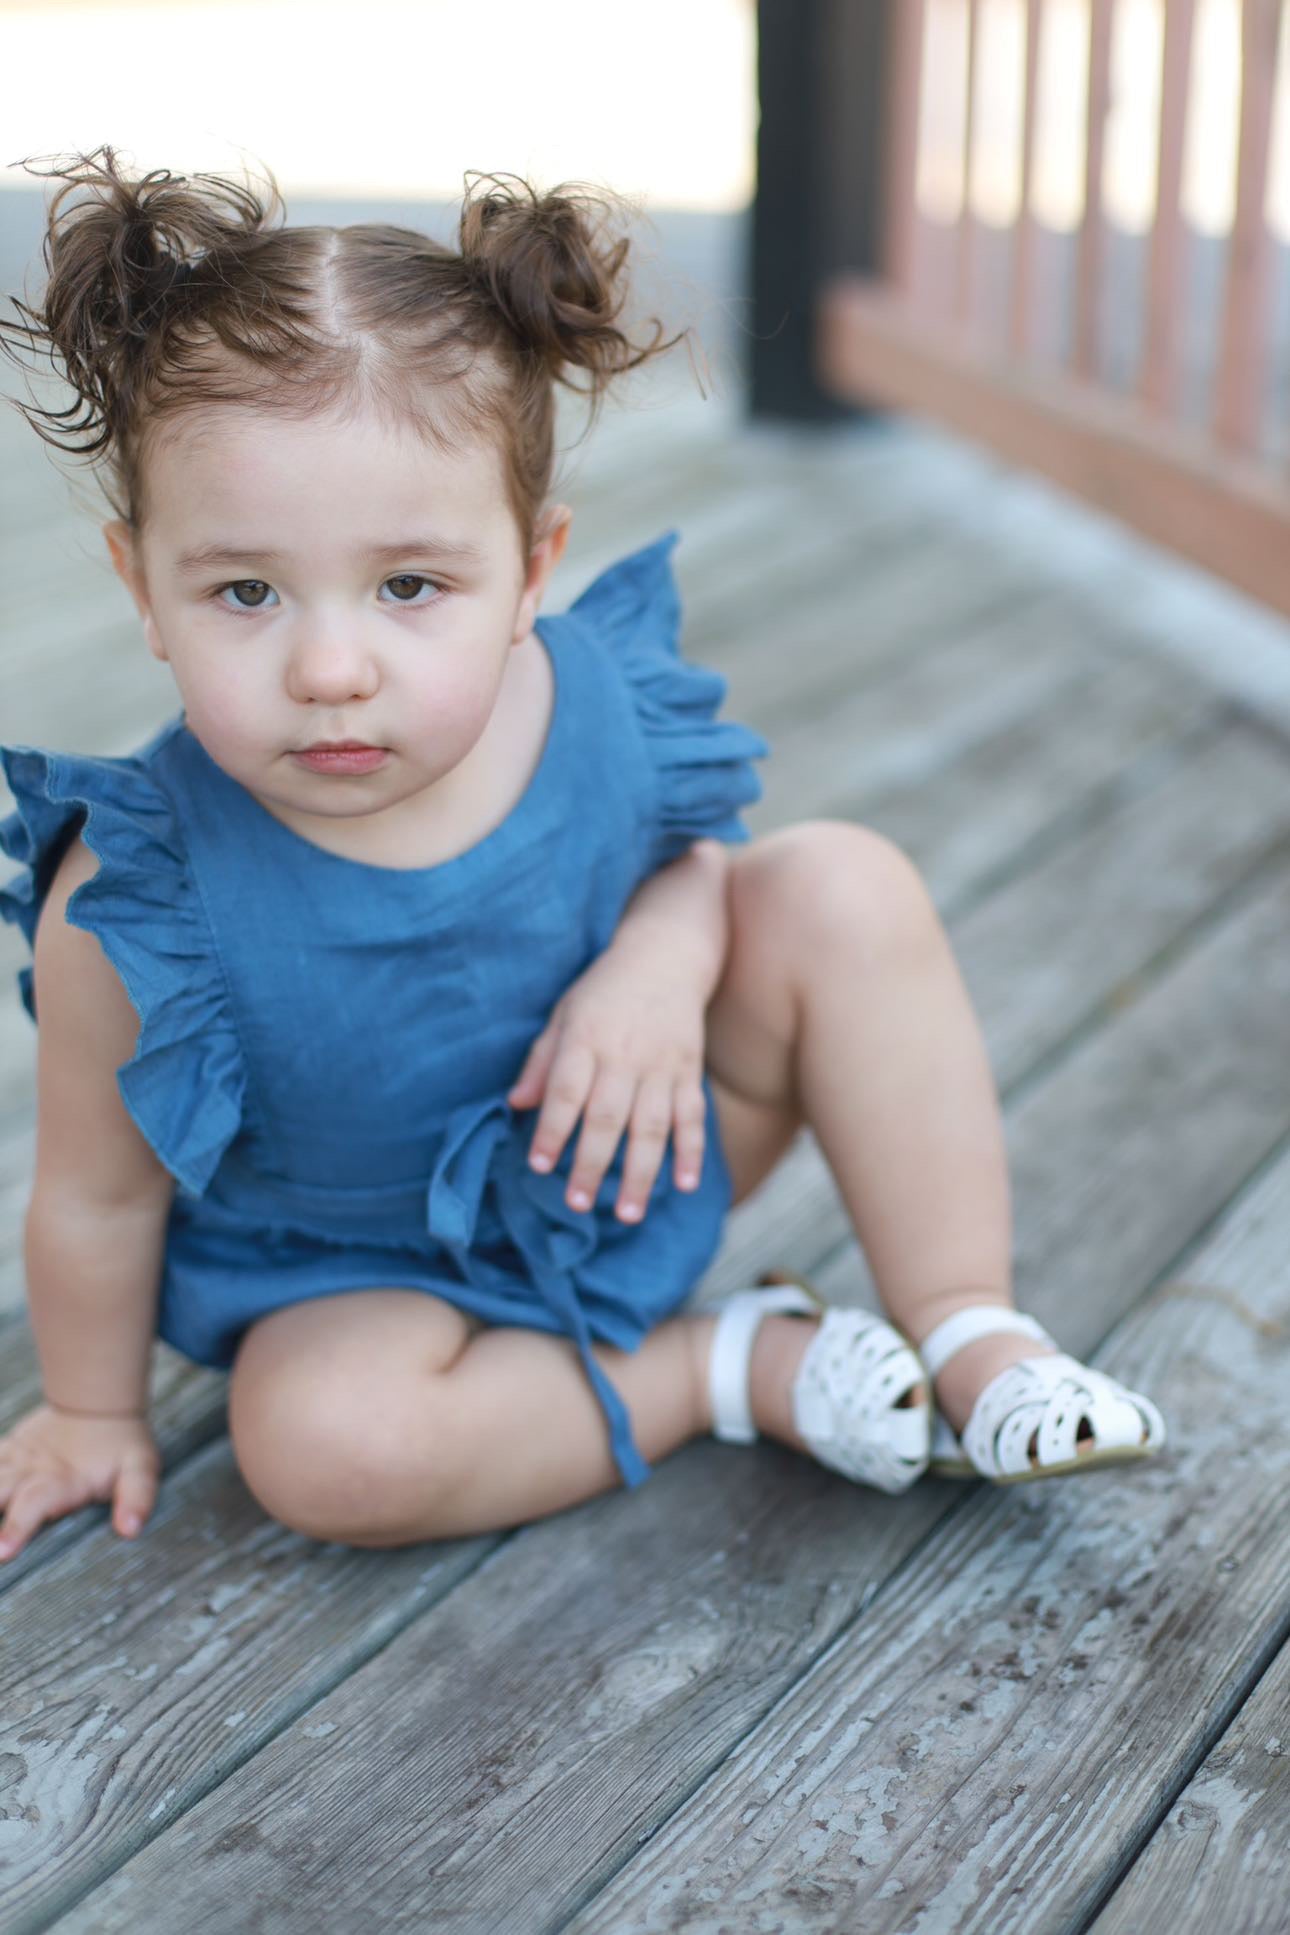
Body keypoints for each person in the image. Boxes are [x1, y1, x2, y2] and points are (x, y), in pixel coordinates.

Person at [0, 149, 1165, 1565]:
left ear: (531, 569)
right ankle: (724, 1367)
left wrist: (658, 970)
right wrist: (89, 1410)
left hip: (631, 1151)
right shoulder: (136, 907)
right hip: (361, 1275)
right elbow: (93, 1193)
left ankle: (974, 1333)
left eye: (410, 586)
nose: (328, 665)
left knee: (836, 881)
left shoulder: (583, 699)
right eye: (244, 590)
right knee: (324, 1452)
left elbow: (692, 863)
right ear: (141, 588)